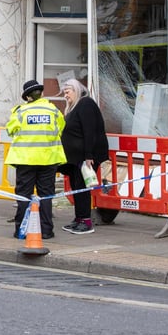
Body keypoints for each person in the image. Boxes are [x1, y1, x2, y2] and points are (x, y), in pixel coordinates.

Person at [5, 79, 67, 240]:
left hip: (25, 160)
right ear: (41, 93)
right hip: (48, 159)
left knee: (23, 196)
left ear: (28, 97)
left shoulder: (20, 112)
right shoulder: (53, 110)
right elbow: (61, 127)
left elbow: (10, 130)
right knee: (46, 195)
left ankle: (21, 230)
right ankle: (46, 230)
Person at [58, 78, 109, 235]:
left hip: (84, 157)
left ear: (76, 90)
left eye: (68, 92)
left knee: (81, 188)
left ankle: (85, 220)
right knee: (76, 187)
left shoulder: (85, 104)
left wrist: (88, 155)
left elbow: (89, 131)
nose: (66, 96)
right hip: (75, 158)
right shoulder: (75, 107)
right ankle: (79, 218)